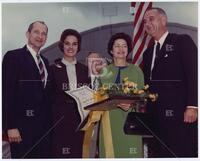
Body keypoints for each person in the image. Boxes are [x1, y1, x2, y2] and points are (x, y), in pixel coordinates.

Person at [142, 7, 198, 157]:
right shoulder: (147, 54)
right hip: (156, 120)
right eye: (144, 21)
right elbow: (148, 85)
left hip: (181, 117)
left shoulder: (181, 41)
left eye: (151, 19)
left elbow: (194, 74)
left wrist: (193, 106)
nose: (147, 23)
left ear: (163, 20)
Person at [2, 21, 52, 158]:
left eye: (44, 34)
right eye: (36, 32)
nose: (40, 36)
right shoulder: (13, 57)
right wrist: (10, 126)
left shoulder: (45, 62)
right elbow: (6, 93)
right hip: (21, 131)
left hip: (43, 133)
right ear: (27, 34)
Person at [99, 33, 145, 158]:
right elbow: (98, 97)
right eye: (117, 46)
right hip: (110, 120)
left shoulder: (137, 71)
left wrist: (132, 103)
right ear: (111, 50)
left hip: (130, 120)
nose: (121, 49)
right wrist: (114, 103)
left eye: (124, 46)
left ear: (128, 49)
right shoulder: (104, 72)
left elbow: (143, 97)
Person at [50, 29, 90, 158]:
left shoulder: (85, 70)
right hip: (59, 124)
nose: (70, 47)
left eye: (74, 44)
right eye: (67, 43)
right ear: (62, 45)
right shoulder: (52, 69)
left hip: (80, 124)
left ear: (78, 46)